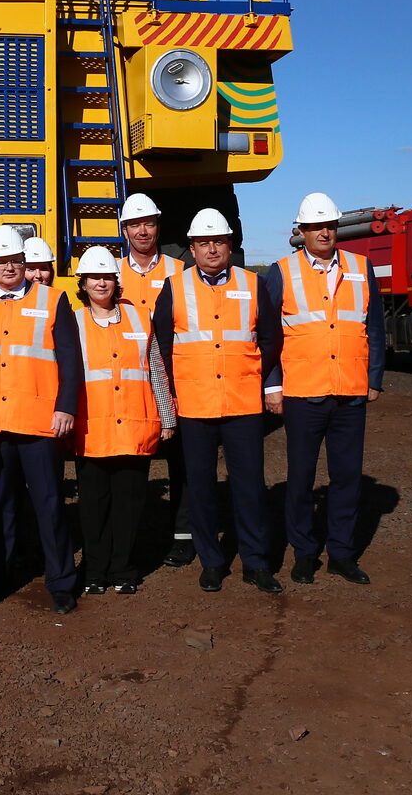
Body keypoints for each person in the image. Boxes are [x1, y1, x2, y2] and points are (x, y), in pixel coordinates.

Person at [152, 209, 282, 594]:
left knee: (250, 487)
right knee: (202, 487)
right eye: (204, 243)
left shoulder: (253, 284)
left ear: (230, 245)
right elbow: (161, 346)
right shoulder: (175, 287)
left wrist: (252, 373)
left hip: (242, 404)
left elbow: (271, 339)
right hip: (195, 406)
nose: (212, 249)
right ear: (192, 248)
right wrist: (175, 393)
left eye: (219, 242)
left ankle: (256, 563)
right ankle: (211, 562)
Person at [260, 193, 384, 586]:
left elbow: (376, 328)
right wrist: (273, 385)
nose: (324, 233)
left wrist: (374, 379)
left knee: (347, 478)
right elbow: (268, 335)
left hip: (349, 391)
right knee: (300, 479)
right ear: (301, 232)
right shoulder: (282, 272)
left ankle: (342, 554)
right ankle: (304, 553)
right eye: (315, 227)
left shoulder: (361, 268)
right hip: (302, 393)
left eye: (329, 226)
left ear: (337, 228)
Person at [0, 225, 82, 614]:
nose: (8, 267)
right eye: (0, 261)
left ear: (25, 262)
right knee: (1, 503)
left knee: (50, 503)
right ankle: (1, 575)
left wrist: (66, 406)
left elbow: (71, 358)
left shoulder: (54, 300)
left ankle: (61, 581)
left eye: (15, 261)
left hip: (41, 423)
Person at [69, 247, 176, 595]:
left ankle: (123, 569)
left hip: (134, 426)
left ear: (116, 282)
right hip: (92, 430)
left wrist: (167, 415)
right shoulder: (73, 322)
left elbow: (156, 370)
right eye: (94, 278)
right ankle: (96, 572)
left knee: (129, 504)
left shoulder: (140, 318)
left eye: (107, 277)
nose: (101, 283)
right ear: (82, 283)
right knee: (94, 505)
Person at [116, 193, 193, 568]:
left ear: (158, 226)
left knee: (183, 461)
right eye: (135, 224)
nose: (142, 230)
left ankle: (182, 536)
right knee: (132, 463)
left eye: (148, 223)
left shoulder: (180, 271)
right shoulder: (112, 273)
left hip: (174, 376)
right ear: (125, 230)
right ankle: (134, 536)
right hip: (129, 379)